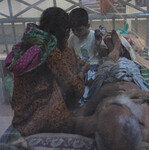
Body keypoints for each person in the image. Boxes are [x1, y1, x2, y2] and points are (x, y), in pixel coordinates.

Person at [4, 7, 91, 136]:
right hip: (39, 119)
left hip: (21, 118)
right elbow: (77, 88)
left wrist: (80, 65)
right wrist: (82, 72)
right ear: (65, 32)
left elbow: (72, 59)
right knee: (89, 123)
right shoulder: (51, 50)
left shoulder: (32, 42)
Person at [68, 8, 108, 82]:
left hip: (95, 67)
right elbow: (70, 55)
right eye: (73, 30)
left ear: (87, 26)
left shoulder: (94, 36)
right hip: (79, 67)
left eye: (79, 30)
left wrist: (98, 45)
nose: (76, 33)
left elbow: (104, 54)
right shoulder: (72, 38)